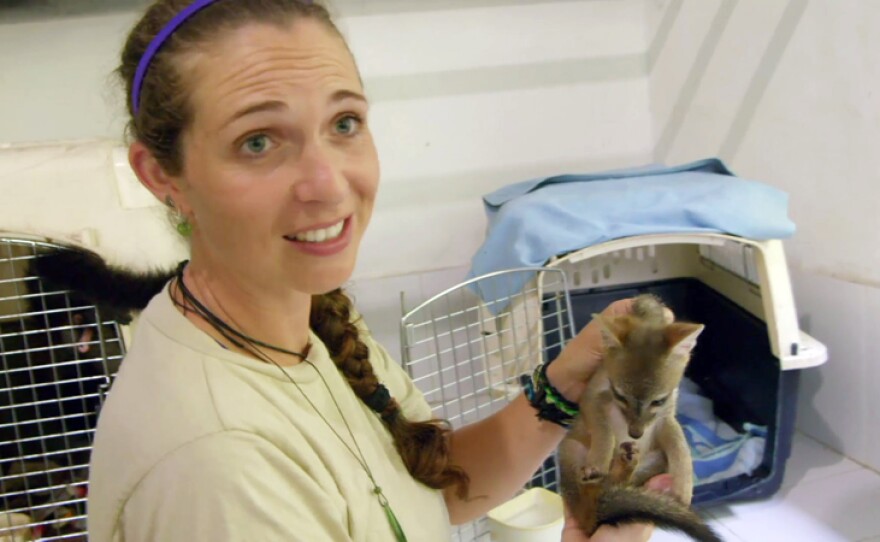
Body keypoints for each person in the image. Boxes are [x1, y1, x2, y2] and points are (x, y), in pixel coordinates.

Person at [87, 1, 674, 540]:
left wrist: (565, 386)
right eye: (258, 141)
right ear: (161, 176)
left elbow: (433, 490)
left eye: (344, 124)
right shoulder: (217, 469)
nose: (328, 184)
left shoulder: (305, 316)